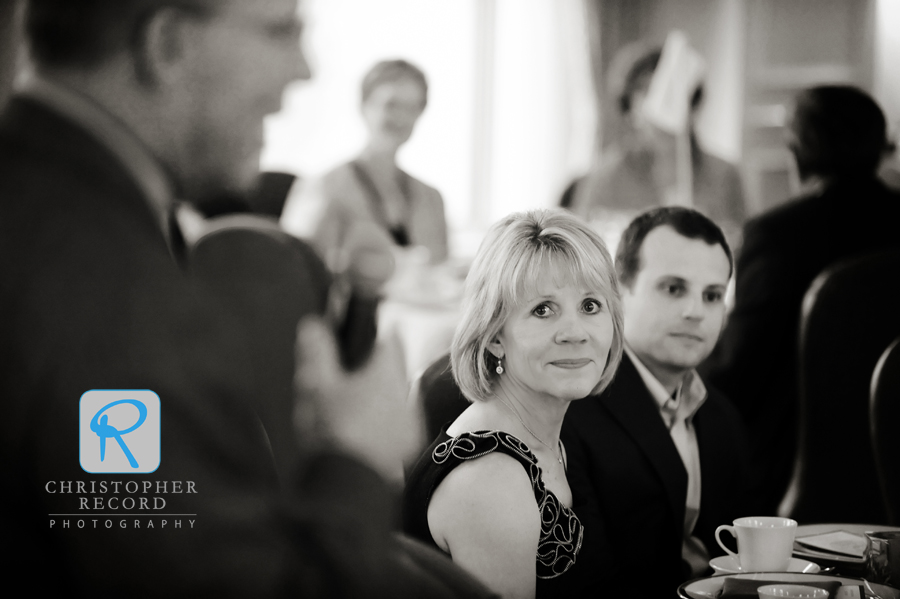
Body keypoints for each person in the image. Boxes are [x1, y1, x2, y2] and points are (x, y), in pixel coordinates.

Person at [0, 1, 490, 596]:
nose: (305, 68)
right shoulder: (102, 284)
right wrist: (356, 458)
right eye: (281, 31)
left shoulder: (50, 207)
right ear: (168, 43)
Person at [403, 209, 625, 598]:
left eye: (591, 306)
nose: (575, 333)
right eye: (543, 310)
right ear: (494, 337)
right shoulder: (491, 479)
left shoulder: (544, 435)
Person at [702, 85, 900, 514]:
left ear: (795, 153)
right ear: (882, 150)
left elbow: (738, 374)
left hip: (793, 487)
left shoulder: (778, 236)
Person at [561, 207, 750, 598]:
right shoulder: (573, 406)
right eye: (673, 288)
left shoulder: (721, 417)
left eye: (712, 296)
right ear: (618, 290)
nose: (695, 312)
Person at [281, 58, 448, 271]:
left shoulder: (432, 199)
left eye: (412, 107)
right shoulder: (324, 187)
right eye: (391, 104)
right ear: (363, 106)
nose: (401, 118)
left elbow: (442, 273)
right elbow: (293, 270)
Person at [567, 43, 746, 241]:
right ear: (629, 107)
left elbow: (741, 249)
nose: (658, 106)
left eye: (669, 93)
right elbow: (585, 255)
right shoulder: (604, 179)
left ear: (692, 103)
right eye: (646, 92)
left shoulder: (724, 176)